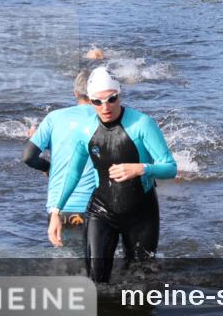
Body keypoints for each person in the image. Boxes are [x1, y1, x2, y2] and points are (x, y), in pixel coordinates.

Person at [48, 67, 176, 283]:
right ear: (90, 101)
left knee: (140, 282)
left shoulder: (142, 124)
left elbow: (170, 168)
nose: (105, 107)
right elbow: (73, 172)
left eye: (111, 99)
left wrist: (142, 168)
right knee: (96, 282)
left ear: (119, 95)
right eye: (97, 102)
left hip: (141, 213)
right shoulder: (85, 131)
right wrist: (56, 211)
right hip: (101, 210)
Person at [22, 70, 98, 228]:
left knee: (64, 252)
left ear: (75, 93)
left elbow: (28, 156)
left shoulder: (54, 118)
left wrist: (47, 166)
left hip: (58, 210)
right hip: (96, 208)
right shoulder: (107, 118)